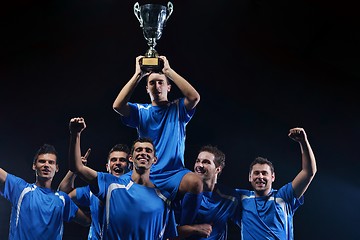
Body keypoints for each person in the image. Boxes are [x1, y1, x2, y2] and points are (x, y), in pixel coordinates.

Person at [112, 55, 203, 225]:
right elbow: (117, 106)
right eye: (152, 83)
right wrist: (138, 75)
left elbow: (194, 97)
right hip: (147, 173)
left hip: (174, 173)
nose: (157, 86)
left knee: (195, 182)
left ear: (169, 87)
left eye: (161, 82)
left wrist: (168, 71)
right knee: (123, 198)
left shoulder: (177, 108)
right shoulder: (141, 111)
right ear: (147, 89)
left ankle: (183, 230)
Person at [68, 117, 177, 239]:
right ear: (131, 158)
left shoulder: (164, 198)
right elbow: (77, 167)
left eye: (148, 150)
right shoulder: (111, 184)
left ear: (154, 160)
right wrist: (75, 134)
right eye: (139, 150)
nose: (143, 153)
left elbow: (168, 236)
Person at [235, 127, 317, 240]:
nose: (260, 177)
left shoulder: (284, 196)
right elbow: (210, 189)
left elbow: (309, 172)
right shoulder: (240, 198)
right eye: (256, 173)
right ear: (250, 177)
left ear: (272, 177)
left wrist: (303, 142)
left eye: (264, 173)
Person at [0, 143, 91, 240]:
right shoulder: (21, 189)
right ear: (34, 166)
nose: (46, 165)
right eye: (42, 161)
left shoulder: (62, 199)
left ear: (57, 168)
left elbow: (87, 221)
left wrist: (76, 168)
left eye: (51, 162)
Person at [58, 143, 130, 239]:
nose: (117, 163)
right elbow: (63, 195)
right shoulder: (92, 190)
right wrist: (75, 170)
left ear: (130, 166)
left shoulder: (135, 191)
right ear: (107, 167)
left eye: (122, 160)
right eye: (113, 160)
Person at [171, 145, 240, 240]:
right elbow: (165, 232)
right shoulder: (181, 194)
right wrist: (194, 229)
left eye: (206, 162)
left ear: (218, 169)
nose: (199, 165)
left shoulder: (230, 198)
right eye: (197, 161)